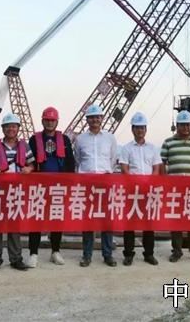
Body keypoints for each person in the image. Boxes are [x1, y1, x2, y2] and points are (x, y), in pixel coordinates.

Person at [0, 113, 34, 273]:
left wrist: (28, 169)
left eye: (14, 126)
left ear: (18, 128)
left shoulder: (24, 147)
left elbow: (32, 164)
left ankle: (16, 259)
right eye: (8, 126)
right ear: (3, 129)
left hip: (17, 191)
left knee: (14, 226)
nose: (11, 129)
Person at [27, 106, 75, 267]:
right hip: (39, 187)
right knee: (36, 220)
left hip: (59, 186)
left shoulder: (65, 140)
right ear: (42, 121)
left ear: (57, 122)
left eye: (52, 120)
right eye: (47, 120)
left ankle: (55, 251)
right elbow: (29, 160)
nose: (49, 123)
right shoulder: (34, 140)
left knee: (57, 219)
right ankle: (33, 253)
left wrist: (69, 183)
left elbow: (70, 162)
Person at [161, 110, 190, 263]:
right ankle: (177, 251)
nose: (185, 128)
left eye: (188, 125)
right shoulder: (168, 142)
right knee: (176, 221)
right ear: (177, 126)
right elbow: (162, 163)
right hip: (175, 190)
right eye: (182, 125)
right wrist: (165, 182)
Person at [74, 104, 118, 267]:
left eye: (97, 117)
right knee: (88, 220)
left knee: (107, 220)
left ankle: (107, 254)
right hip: (87, 183)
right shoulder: (80, 139)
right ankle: (87, 255)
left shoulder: (110, 138)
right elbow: (78, 160)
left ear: (102, 118)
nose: (95, 120)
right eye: (91, 117)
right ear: (87, 120)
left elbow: (112, 160)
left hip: (105, 182)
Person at [119, 112, 162, 266]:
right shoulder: (126, 148)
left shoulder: (153, 148)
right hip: (132, 191)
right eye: (137, 127)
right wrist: (135, 184)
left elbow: (156, 168)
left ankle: (148, 254)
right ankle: (128, 254)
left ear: (146, 129)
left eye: (142, 127)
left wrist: (150, 183)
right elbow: (124, 168)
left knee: (148, 224)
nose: (140, 130)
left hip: (149, 191)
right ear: (132, 129)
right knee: (129, 223)